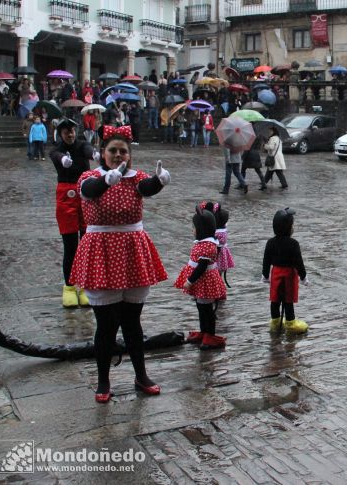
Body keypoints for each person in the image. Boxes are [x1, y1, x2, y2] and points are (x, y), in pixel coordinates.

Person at [70, 124, 171, 403]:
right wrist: (107, 181)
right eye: (112, 150)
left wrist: (159, 180)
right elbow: (90, 191)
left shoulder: (135, 177)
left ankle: (141, 374)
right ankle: (103, 380)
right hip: (102, 252)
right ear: (103, 153)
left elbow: (146, 187)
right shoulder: (89, 176)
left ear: (129, 155)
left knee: (132, 322)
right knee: (106, 324)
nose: (118, 155)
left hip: (131, 251)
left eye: (123, 151)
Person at [49, 118, 99, 307]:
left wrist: (94, 153)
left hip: (84, 193)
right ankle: (70, 287)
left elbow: (86, 149)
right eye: (65, 132)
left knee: (86, 243)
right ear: (60, 133)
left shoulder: (81, 145)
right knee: (70, 245)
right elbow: (55, 156)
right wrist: (62, 159)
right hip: (66, 196)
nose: (69, 134)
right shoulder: (56, 149)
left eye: (71, 131)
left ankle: (85, 286)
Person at [174, 205, 227, 350]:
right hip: (201, 282)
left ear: (201, 229)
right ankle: (204, 332)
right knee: (201, 307)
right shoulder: (203, 243)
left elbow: (201, 267)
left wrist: (190, 281)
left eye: (194, 227)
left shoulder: (208, 246)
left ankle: (210, 334)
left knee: (207, 310)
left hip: (205, 282)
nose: (193, 230)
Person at [262, 208, 309, 334]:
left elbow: (266, 259)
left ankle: (275, 322)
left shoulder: (270, 242)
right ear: (288, 227)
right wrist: (303, 276)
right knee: (288, 301)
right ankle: (290, 323)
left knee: (275, 299)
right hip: (289, 275)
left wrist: (265, 275)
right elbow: (299, 262)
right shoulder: (293, 243)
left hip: (276, 273)